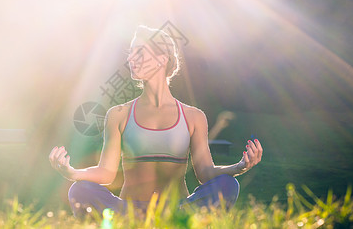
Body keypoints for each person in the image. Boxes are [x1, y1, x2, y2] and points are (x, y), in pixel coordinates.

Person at [49, 25, 263, 218]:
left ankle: (173, 219)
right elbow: (106, 173)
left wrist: (239, 167)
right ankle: (142, 222)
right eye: (130, 53)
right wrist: (72, 173)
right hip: (128, 212)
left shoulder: (193, 116)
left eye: (139, 52)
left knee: (227, 184)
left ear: (163, 59)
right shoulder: (119, 114)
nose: (131, 59)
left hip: (177, 210)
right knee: (80, 190)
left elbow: (205, 173)